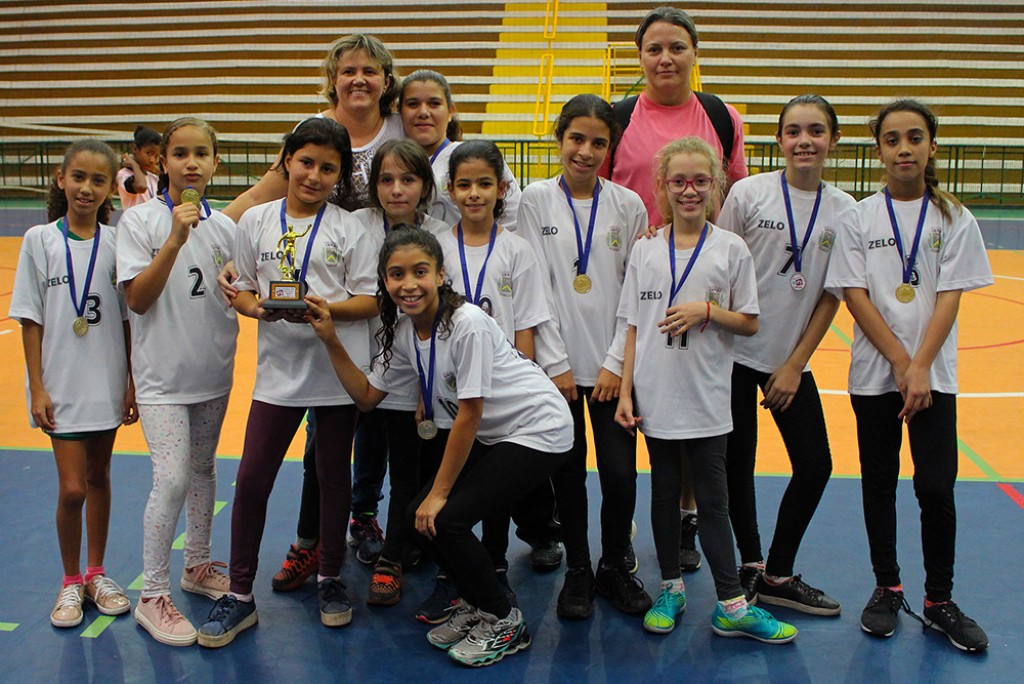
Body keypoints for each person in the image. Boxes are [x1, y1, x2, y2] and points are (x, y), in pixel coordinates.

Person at [304, 225, 573, 667]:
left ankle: (506, 621)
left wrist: (440, 492)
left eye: (420, 271)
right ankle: (477, 603)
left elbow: (468, 414)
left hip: (539, 428)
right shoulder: (408, 334)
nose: (408, 284)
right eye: (396, 274)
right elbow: (368, 398)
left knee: (446, 519)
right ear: (385, 282)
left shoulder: (465, 323)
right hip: (499, 432)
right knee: (414, 518)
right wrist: (331, 338)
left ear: (441, 275)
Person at [197, 117, 381, 647]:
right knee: (253, 479)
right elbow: (245, 288)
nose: (315, 175)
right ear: (286, 161)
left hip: (336, 371)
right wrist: (257, 307)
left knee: (332, 480)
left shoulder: (352, 227)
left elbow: (370, 300)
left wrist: (326, 312)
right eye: (306, 162)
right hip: (277, 378)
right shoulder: (254, 221)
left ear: (340, 173)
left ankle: (328, 579)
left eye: (329, 167)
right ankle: (239, 594)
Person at [824, 99, 992, 652]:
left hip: (933, 379)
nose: (904, 149)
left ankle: (939, 600)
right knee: (879, 483)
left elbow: (949, 297)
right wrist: (899, 362)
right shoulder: (857, 218)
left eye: (914, 138)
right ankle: (887, 586)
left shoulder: (954, 217)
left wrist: (920, 367)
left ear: (932, 147)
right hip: (875, 377)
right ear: (879, 150)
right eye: (892, 140)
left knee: (936, 486)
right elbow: (854, 294)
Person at [615, 136, 796, 643]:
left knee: (713, 500)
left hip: (708, 396)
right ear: (663, 186)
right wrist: (626, 392)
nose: (689, 190)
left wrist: (707, 311)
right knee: (665, 491)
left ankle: (731, 604)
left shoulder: (731, 248)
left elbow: (751, 323)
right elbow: (630, 324)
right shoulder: (646, 248)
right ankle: (670, 589)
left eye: (699, 180)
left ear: (716, 185)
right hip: (655, 393)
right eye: (678, 181)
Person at [604, 6, 749, 571]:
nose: (666, 58)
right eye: (654, 48)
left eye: (677, 47)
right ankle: (650, 522)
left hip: (696, 278)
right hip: (633, 270)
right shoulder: (619, 117)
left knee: (692, 403)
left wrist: (716, 276)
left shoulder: (720, 115)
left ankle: (688, 517)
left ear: (694, 53)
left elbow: (731, 197)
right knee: (651, 404)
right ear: (640, 56)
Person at [516, 94, 652, 620]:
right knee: (566, 476)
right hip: (558, 373)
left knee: (620, 475)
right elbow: (534, 291)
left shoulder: (628, 205)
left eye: (599, 142)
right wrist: (554, 363)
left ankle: (615, 565)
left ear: (611, 147)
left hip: (613, 371)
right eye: (577, 138)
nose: (586, 151)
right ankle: (578, 568)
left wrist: (618, 362)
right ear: (559, 137)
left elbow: (636, 293)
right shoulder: (533, 201)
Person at [718, 94, 854, 614]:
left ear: (833, 140)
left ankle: (778, 571)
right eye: (794, 131)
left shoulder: (844, 211)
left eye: (816, 131)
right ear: (779, 140)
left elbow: (830, 295)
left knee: (816, 465)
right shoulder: (749, 193)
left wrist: (795, 363)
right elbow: (718, 269)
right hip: (731, 354)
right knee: (737, 465)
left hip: (788, 361)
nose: (805, 140)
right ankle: (752, 565)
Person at [116, 117, 239, 646]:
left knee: (204, 470)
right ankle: (152, 595)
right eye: (181, 153)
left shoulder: (228, 229)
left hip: (213, 373)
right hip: (162, 379)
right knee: (169, 480)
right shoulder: (140, 222)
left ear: (215, 162)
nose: (191, 162)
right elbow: (138, 300)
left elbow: (238, 292)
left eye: (202, 153)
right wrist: (174, 238)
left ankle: (197, 566)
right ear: (161, 162)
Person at [9, 140, 136, 630]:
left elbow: (127, 319)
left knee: (100, 478)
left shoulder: (116, 243)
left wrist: (129, 379)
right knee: (71, 489)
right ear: (61, 179)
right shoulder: (39, 240)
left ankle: (97, 573)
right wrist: (37, 387)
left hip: (105, 381)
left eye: (98, 180)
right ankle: (68, 578)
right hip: (60, 386)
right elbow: (30, 320)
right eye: (78, 177)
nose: (86, 187)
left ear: (110, 189)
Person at [350, 138, 448, 606]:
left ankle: (405, 542)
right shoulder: (356, 228)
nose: (396, 189)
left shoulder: (441, 235)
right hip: (368, 368)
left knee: (413, 465)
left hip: (421, 377)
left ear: (426, 187)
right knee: (364, 455)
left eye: (408, 179)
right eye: (386, 180)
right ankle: (361, 519)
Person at [223, 34, 403, 220]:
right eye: (348, 72)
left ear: (386, 82)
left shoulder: (402, 129)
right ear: (334, 80)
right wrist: (208, 231)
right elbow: (259, 196)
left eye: (369, 72)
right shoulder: (311, 130)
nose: (359, 80)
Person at [398, 69, 523, 230]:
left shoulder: (478, 159)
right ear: (400, 111)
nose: (423, 112)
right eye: (413, 104)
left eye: (434, 103)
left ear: (450, 111)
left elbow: (514, 220)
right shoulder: (393, 164)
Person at [116, 125, 161, 210]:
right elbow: (141, 187)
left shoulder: (153, 177)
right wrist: (135, 165)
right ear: (134, 148)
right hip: (134, 223)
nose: (152, 160)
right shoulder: (124, 175)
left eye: (156, 156)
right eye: (149, 153)